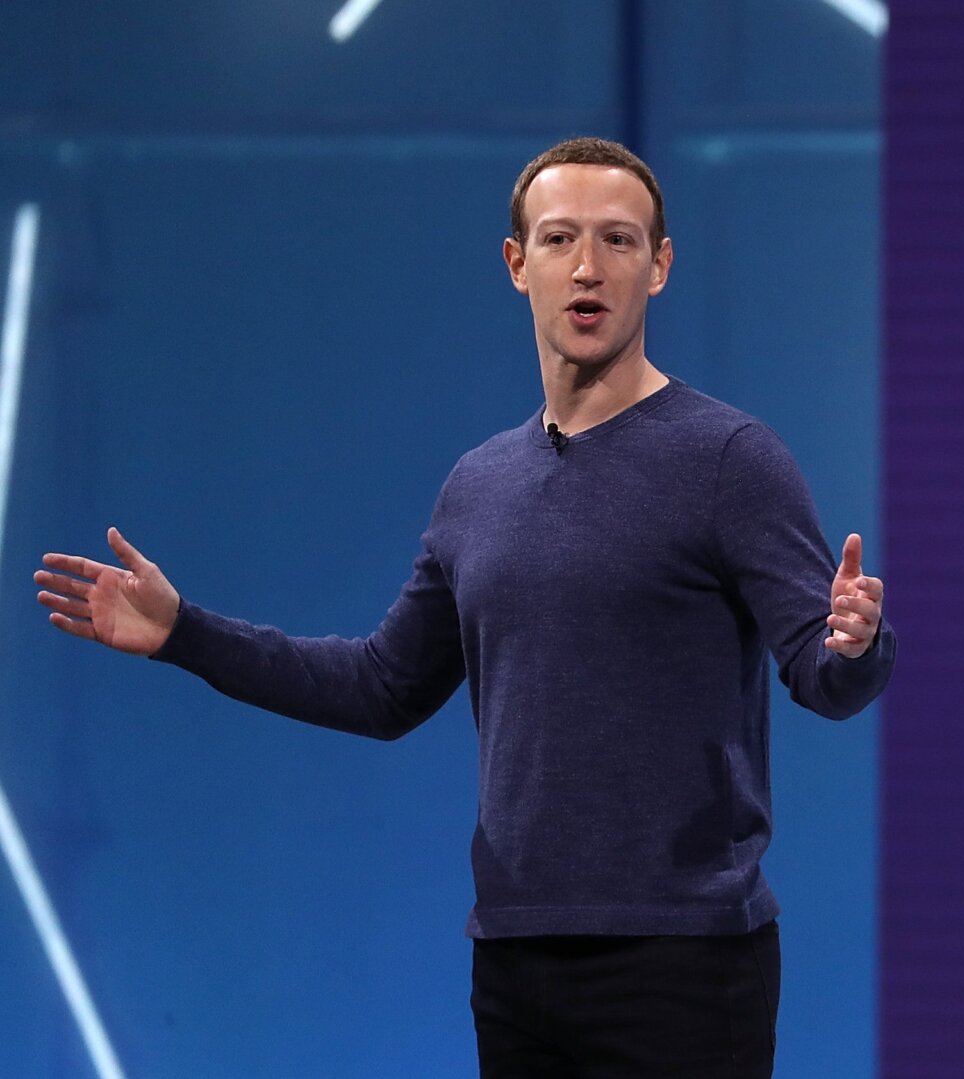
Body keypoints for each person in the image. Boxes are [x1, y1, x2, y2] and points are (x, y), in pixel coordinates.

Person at [30, 136, 894, 1078]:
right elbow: (381, 687)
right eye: (560, 238)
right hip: (515, 963)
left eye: (618, 239)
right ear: (518, 264)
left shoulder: (729, 459)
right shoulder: (478, 487)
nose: (588, 266)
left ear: (660, 265)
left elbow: (823, 672)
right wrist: (184, 632)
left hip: (685, 962)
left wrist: (857, 645)